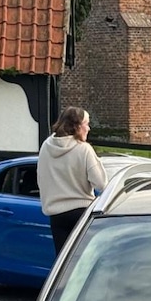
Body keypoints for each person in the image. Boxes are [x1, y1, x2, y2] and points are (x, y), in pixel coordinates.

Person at [37, 107, 107, 252]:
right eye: (86, 123)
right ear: (76, 126)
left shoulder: (46, 146)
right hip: (81, 213)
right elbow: (101, 183)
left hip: (56, 215)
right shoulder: (84, 149)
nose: (89, 128)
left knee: (64, 263)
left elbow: (41, 178)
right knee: (84, 261)